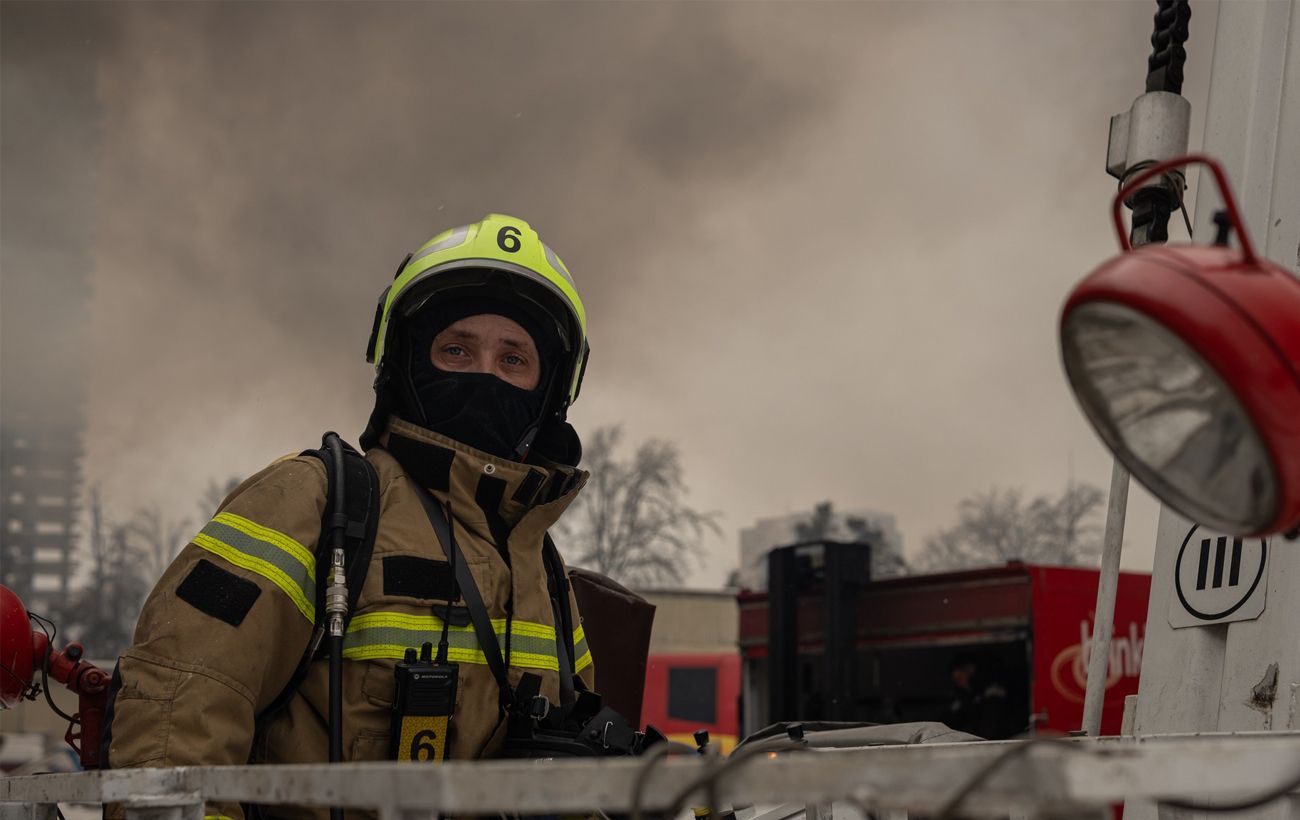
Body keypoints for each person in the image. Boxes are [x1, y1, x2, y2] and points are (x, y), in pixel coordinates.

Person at [103, 214, 596, 820]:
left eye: (513, 359)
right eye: (457, 350)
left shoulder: (543, 572)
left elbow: (575, 773)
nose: (484, 376)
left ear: (549, 392)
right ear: (405, 364)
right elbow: (177, 711)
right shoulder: (314, 503)